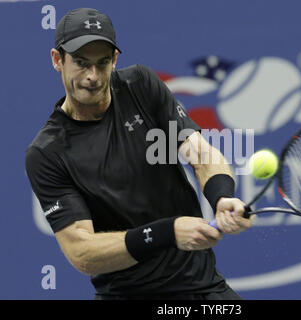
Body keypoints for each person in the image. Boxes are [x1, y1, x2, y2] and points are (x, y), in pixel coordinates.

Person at [25, 8, 254, 300]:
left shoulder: (140, 86)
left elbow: (198, 151)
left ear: (115, 59)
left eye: (102, 63)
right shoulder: (47, 153)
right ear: (58, 60)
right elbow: (81, 252)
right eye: (81, 63)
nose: (92, 76)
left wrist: (222, 197)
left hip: (203, 290)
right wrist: (166, 233)